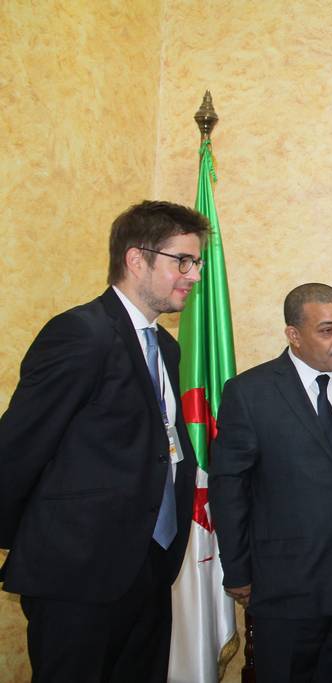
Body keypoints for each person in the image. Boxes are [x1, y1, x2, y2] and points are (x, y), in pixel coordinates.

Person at [0, 200, 207, 682]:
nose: (194, 275)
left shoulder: (166, 347)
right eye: (183, 261)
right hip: (77, 573)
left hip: (150, 565)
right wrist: (20, 540)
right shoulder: (81, 333)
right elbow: (21, 444)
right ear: (137, 259)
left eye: (196, 262)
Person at [209, 283, 332, 683]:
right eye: (327, 330)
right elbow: (229, 488)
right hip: (285, 587)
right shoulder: (249, 392)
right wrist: (237, 570)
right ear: (293, 335)